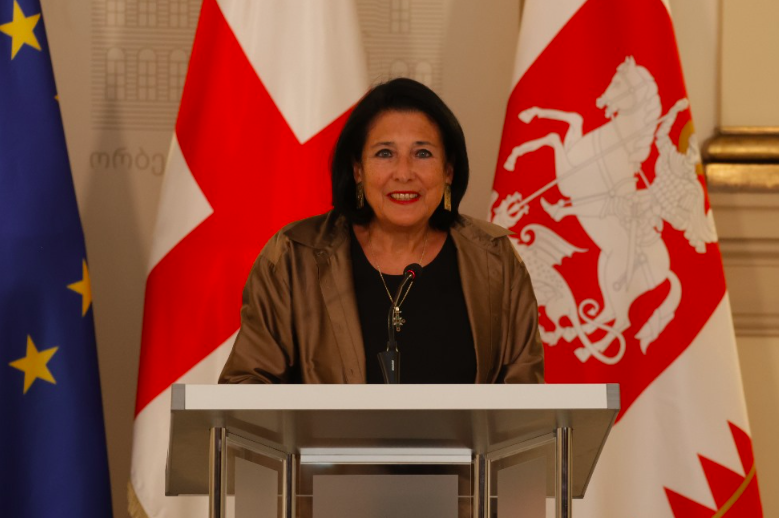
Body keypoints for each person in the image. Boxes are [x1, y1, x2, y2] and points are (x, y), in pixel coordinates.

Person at [219, 78, 543, 384]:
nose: (403, 173)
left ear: (448, 171)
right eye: (385, 153)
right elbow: (247, 388)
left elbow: (526, 402)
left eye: (422, 153)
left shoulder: (494, 258)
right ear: (358, 170)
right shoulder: (294, 257)